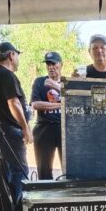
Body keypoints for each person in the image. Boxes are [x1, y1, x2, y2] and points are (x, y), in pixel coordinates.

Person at [0, 41, 32, 207]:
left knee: (7, 173)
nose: (17, 59)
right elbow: (14, 103)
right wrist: (26, 129)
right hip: (8, 133)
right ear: (11, 55)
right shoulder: (6, 75)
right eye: (17, 55)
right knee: (19, 172)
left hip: (0, 132)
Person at [30, 51, 64, 180]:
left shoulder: (67, 83)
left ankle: (70, 197)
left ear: (61, 65)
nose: (51, 67)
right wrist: (61, 105)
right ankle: (46, 196)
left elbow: (75, 101)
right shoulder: (40, 82)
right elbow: (36, 104)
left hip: (64, 128)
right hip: (44, 128)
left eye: (53, 63)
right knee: (44, 170)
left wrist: (57, 86)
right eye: (48, 64)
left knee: (70, 169)